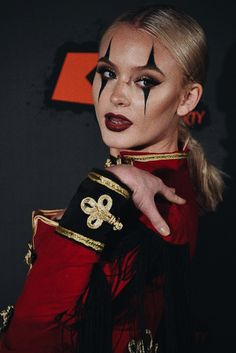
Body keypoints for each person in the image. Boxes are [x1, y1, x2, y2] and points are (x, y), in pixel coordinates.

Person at [0, 4, 224, 353]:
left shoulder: (152, 203)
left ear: (187, 98)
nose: (116, 96)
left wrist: (108, 183)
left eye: (145, 80)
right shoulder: (156, 177)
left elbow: (30, 337)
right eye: (107, 73)